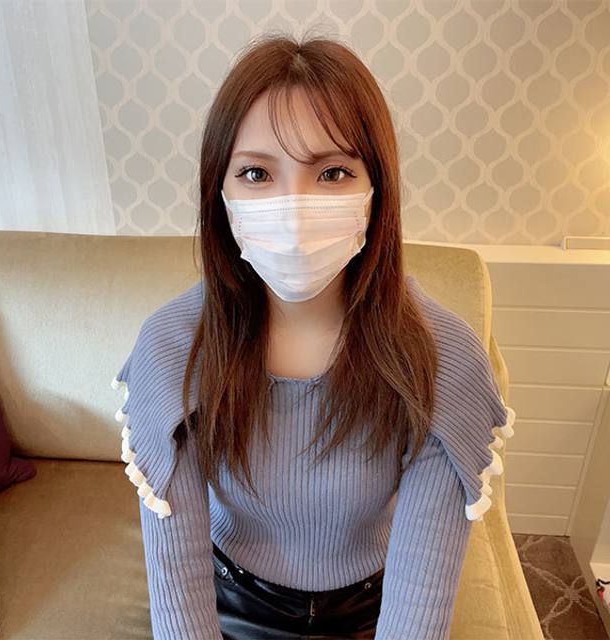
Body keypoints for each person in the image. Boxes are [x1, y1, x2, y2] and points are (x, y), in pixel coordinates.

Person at [112, 32, 516, 640]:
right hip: (230, 598)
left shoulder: (444, 359)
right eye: (256, 173)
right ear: (220, 193)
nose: (294, 210)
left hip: (374, 605)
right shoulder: (172, 350)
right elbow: (180, 601)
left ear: (376, 190)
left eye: (332, 172)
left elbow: (418, 609)